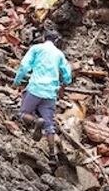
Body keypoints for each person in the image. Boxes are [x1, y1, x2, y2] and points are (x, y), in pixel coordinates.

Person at [13, 30, 72, 159]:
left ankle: (35, 122)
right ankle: (52, 154)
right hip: (50, 93)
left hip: (35, 89)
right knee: (49, 126)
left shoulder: (36, 48)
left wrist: (17, 80)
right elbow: (67, 74)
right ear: (56, 41)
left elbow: (24, 66)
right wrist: (65, 83)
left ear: (44, 38)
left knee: (22, 114)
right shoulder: (59, 54)